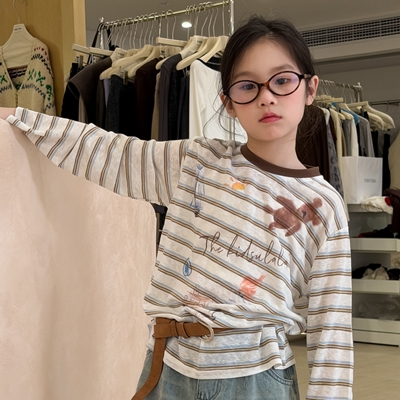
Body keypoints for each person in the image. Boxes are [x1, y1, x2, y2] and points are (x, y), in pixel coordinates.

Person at [0, 15, 353, 400]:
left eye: (282, 81)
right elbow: (115, 154)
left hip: (256, 379)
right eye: (247, 86)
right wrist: (20, 118)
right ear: (228, 103)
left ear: (310, 88)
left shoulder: (324, 207)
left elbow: (331, 329)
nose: (266, 97)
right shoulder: (199, 162)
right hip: (168, 365)